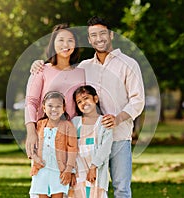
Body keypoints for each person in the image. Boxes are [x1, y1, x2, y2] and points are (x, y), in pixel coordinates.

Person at [31, 16, 145, 197]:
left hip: (119, 135)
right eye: (93, 35)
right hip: (89, 139)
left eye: (102, 33)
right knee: (87, 188)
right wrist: (39, 64)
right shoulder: (84, 67)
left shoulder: (129, 64)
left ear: (111, 35)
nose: (99, 38)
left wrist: (118, 118)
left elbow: (138, 100)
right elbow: (64, 79)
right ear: (89, 40)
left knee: (121, 187)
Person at [24, 23, 85, 161]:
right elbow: (31, 102)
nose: (66, 44)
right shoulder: (41, 69)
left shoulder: (81, 73)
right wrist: (31, 131)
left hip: (71, 134)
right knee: (43, 177)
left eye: (70, 40)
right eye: (61, 40)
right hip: (44, 133)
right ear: (53, 43)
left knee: (69, 178)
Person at [29, 91, 77, 198]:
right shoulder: (40, 125)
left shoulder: (68, 126)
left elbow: (72, 149)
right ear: (44, 108)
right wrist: (35, 158)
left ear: (63, 108)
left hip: (59, 170)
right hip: (42, 170)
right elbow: (32, 146)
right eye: (50, 106)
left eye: (58, 106)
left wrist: (69, 170)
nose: (54, 109)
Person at [70, 85, 112, 198]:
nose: (83, 103)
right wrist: (72, 171)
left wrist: (93, 167)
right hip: (78, 172)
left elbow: (105, 148)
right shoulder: (75, 122)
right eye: (79, 101)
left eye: (86, 98)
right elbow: (70, 148)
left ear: (95, 99)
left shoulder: (104, 122)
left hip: (96, 171)